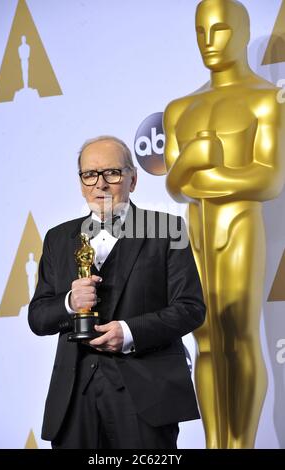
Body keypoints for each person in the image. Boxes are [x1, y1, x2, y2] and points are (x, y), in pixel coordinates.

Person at [28, 135, 205, 449]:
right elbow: (39, 317)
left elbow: (190, 308)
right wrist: (69, 303)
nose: (101, 184)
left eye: (112, 173)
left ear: (133, 180)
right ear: (81, 182)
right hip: (73, 401)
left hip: (147, 398)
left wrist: (128, 332)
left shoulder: (168, 229)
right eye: (90, 175)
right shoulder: (58, 238)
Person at [163, 0, 285, 448]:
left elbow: (268, 179)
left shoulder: (265, 99)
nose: (208, 43)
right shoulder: (179, 108)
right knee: (205, 338)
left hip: (239, 225)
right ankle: (217, 443)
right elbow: (176, 186)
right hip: (194, 230)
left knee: (238, 330)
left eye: (219, 31)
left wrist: (201, 174)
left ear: (240, 31)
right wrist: (193, 161)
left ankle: (243, 443)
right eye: (200, 32)